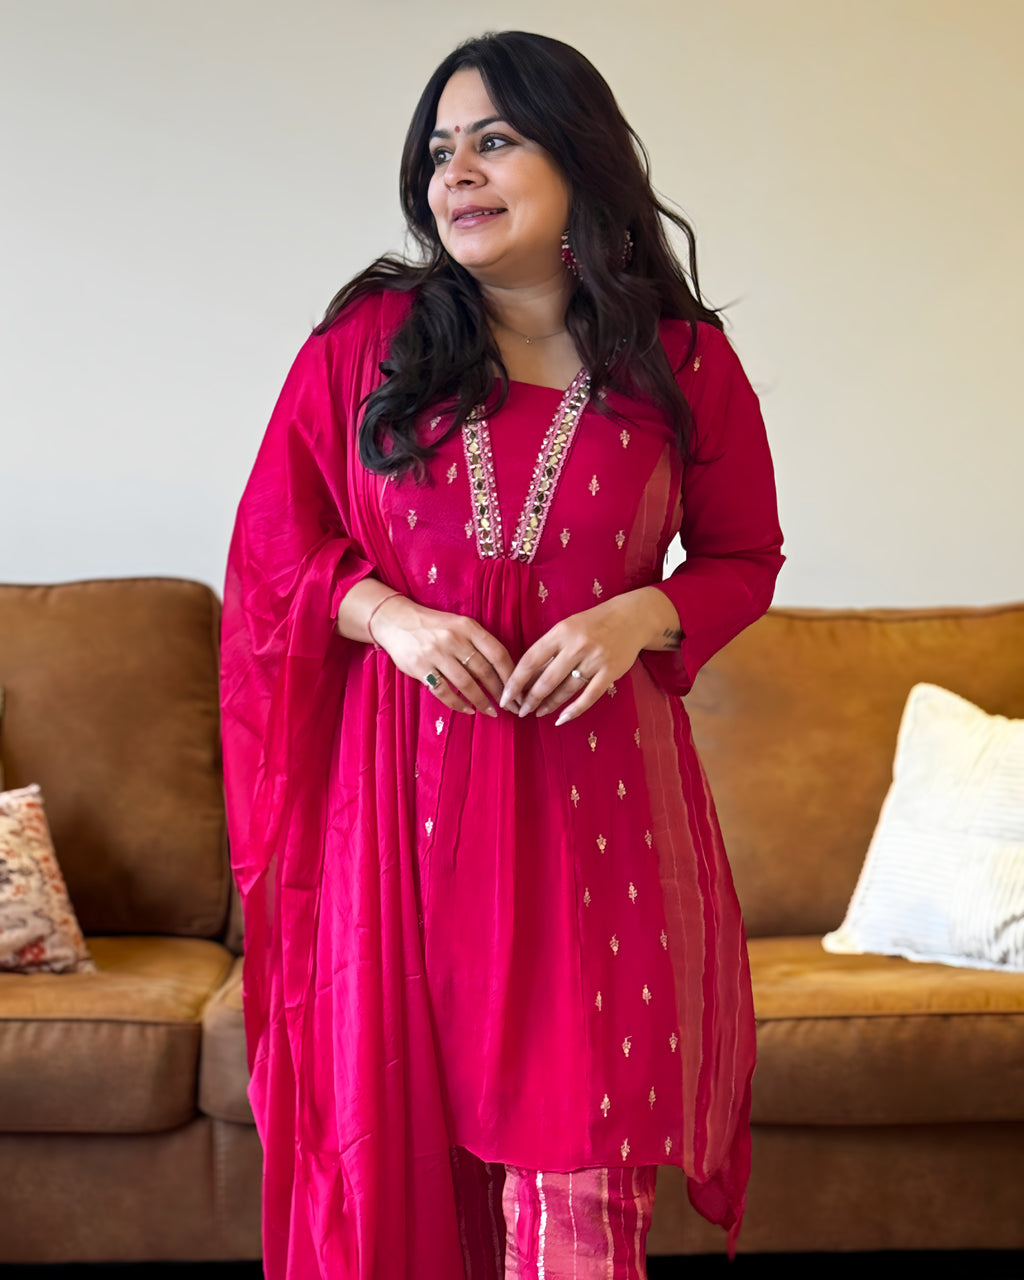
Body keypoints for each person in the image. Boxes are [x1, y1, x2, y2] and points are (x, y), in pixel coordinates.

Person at [221, 29, 784, 1280]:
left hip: (601, 826)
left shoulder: (685, 364)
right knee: (401, 1151)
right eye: (437, 152)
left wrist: (639, 613)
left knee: (581, 1170)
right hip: (400, 820)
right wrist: (394, 620)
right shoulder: (368, 347)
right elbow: (275, 552)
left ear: (578, 157)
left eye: (494, 140)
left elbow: (746, 556)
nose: (455, 174)